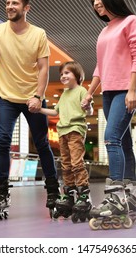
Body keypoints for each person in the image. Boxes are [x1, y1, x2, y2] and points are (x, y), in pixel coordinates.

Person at [0, 0, 60, 221]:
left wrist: (38, 96)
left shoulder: (38, 34)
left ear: (26, 8)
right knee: (3, 142)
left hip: (32, 97)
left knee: (43, 142)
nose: (10, 6)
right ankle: (1, 193)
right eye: (7, 3)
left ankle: (53, 190)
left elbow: (44, 67)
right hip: (5, 97)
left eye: (15, 3)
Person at [81, 0, 136, 229]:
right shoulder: (105, 30)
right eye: (93, 0)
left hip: (125, 90)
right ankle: (133, 196)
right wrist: (89, 92)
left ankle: (116, 197)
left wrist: (132, 89)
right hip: (108, 91)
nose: (96, 3)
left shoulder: (131, 21)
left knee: (111, 139)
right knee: (124, 141)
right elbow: (100, 66)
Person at [39, 61, 93, 223]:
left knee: (77, 163)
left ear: (77, 75)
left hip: (75, 129)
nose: (63, 76)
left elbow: (88, 110)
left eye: (67, 73)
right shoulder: (64, 94)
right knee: (66, 164)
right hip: (62, 131)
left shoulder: (81, 90)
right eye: (62, 74)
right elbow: (56, 111)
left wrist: (88, 105)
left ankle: (83, 194)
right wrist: (39, 109)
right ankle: (68, 194)